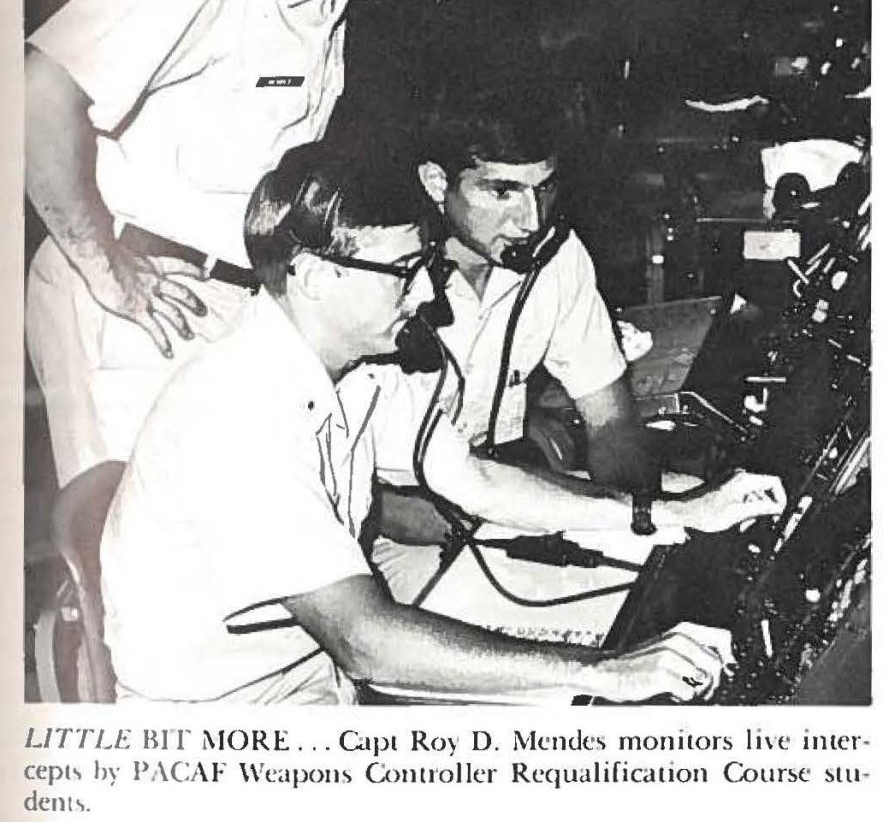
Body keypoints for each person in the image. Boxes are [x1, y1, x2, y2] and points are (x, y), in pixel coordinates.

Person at [101, 141, 747, 705]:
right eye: (404, 274)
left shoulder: (355, 368)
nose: (427, 296)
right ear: (315, 277)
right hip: (222, 728)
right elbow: (365, 642)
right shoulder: (235, 419)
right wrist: (606, 672)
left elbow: (477, 481)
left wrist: (668, 512)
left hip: (318, 690)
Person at [25, 0, 480, 491]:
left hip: (228, 296)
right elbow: (35, 91)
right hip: (142, 302)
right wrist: (106, 268)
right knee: (136, 567)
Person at [370, 101, 782, 599]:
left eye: (543, 189)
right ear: (437, 183)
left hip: (513, 494)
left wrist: (640, 517)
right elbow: (351, 490)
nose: (531, 220)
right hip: (405, 534)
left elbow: (610, 420)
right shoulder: (382, 283)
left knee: (721, 531)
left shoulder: (557, 258)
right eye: (502, 191)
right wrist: (483, 521)